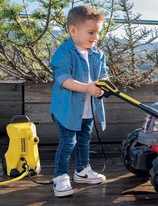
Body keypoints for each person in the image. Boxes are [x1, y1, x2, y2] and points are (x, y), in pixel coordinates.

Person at [50, 5, 108, 197]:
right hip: (67, 109)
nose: (95, 37)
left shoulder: (98, 54)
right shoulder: (64, 52)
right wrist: (87, 88)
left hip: (88, 109)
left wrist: (102, 87)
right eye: (91, 32)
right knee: (68, 142)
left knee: (84, 140)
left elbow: (103, 76)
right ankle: (60, 178)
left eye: (98, 33)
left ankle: (82, 171)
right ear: (73, 30)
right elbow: (63, 80)